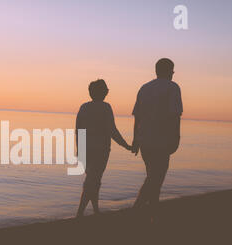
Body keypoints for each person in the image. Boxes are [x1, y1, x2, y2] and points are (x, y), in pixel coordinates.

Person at [131, 58, 183, 212]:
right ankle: (137, 209)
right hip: (162, 141)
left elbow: (137, 117)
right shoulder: (173, 88)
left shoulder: (144, 88)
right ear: (169, 71)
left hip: (145, 140)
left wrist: (135, 139)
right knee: (156, 178)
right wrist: (176, 138)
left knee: (153, 177)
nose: (173, 74)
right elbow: (175, 116)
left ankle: (153, 213)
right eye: (172, 71)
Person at [76, 79, 131, 218]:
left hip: (85, 149)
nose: (108, 90)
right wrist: (126, 145)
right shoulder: (106, 107)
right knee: (93, 181)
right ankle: (80, 213)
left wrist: (79, 151)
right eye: (106, 88)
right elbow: (112, 131)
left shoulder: (83, 107)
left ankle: (95, 210)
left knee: (94, 179)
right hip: (100, 150)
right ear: (103, 92)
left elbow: (78, 130)